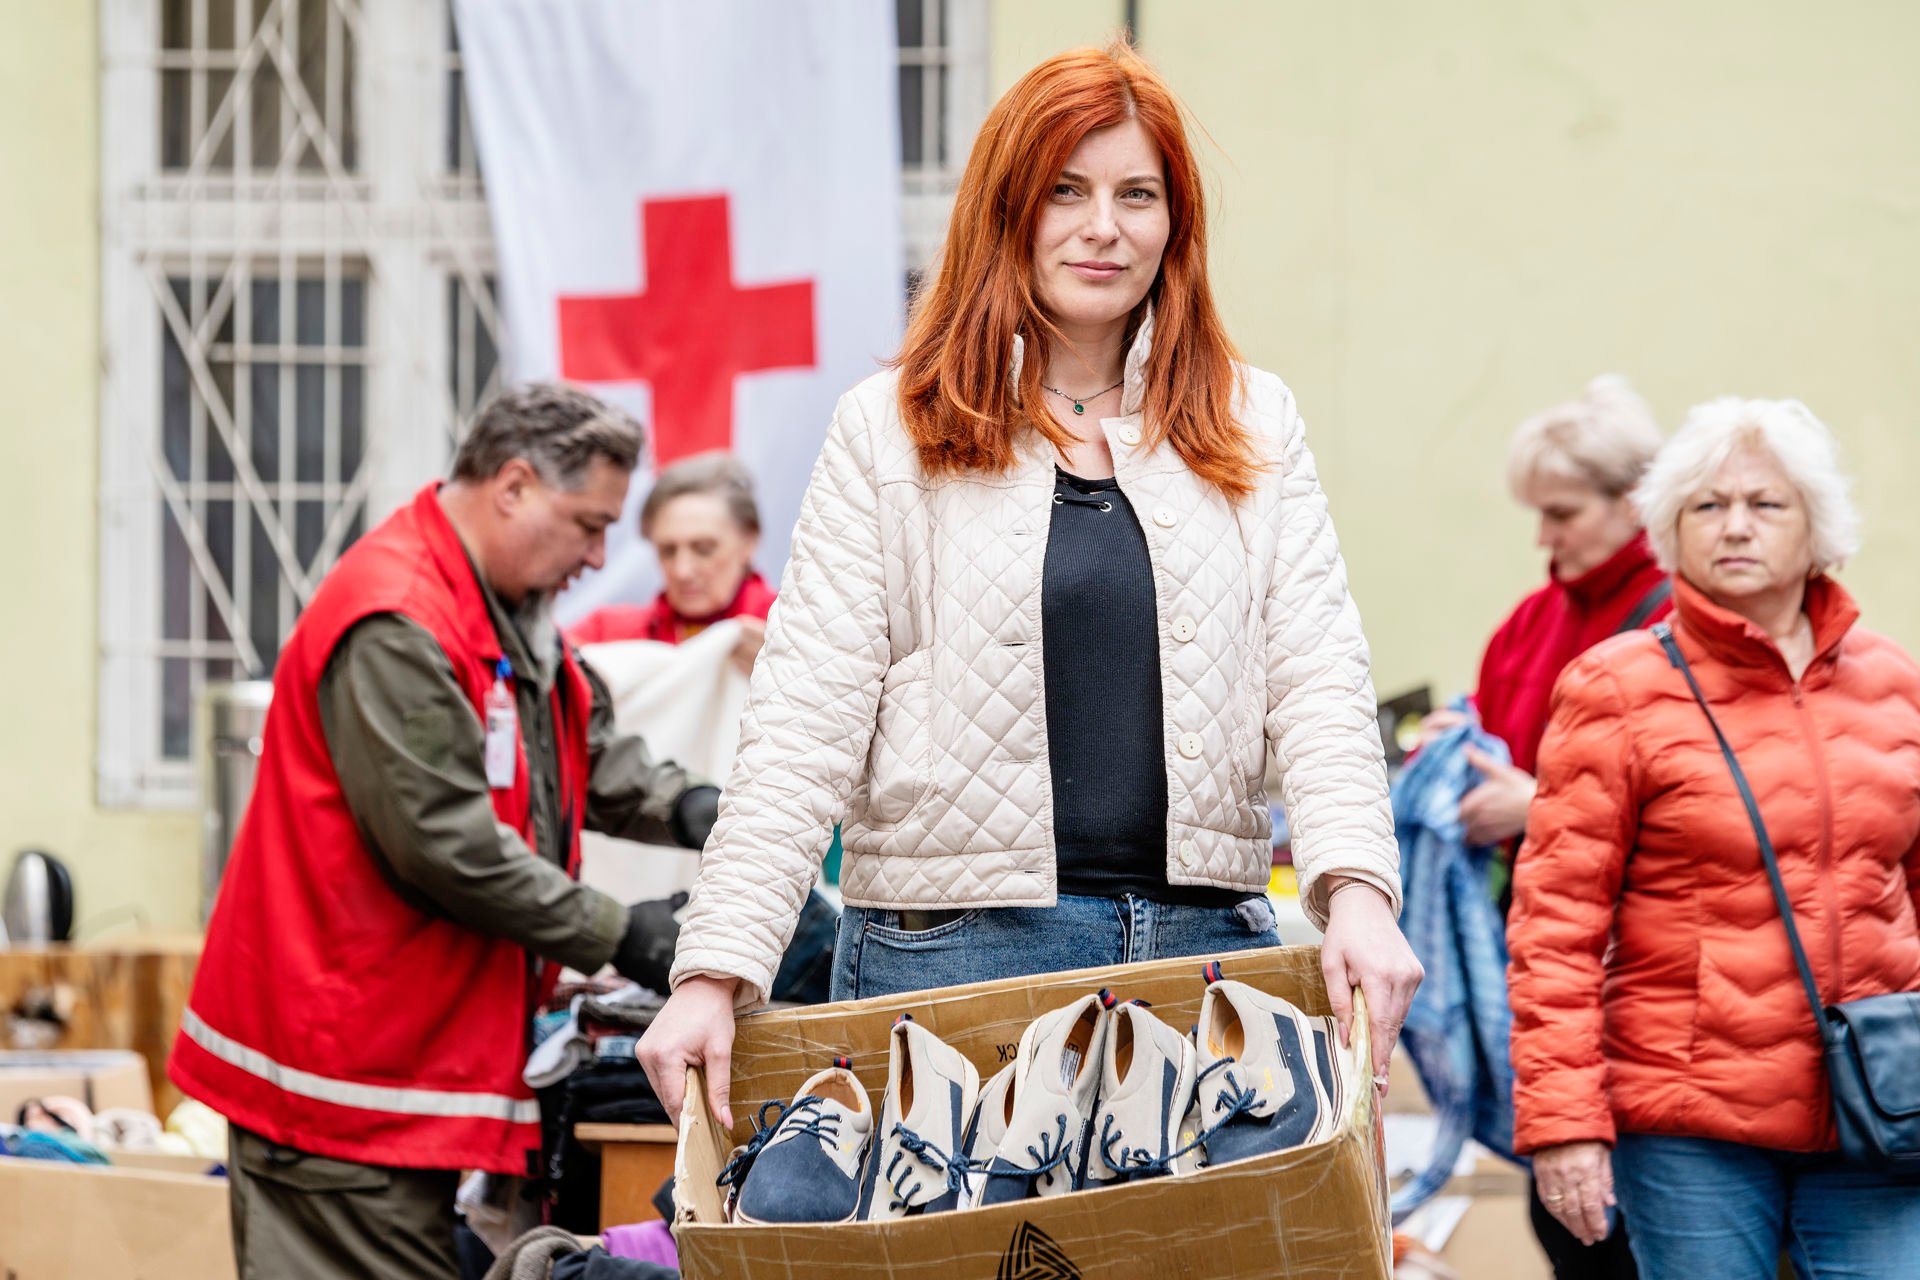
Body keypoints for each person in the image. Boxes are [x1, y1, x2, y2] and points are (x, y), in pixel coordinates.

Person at [639, 41, 1422, 1133]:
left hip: (1207, 959)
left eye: (1137, 194)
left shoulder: (1253, 421)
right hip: (955, 958)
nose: (1104, 226)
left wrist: (1359, 895)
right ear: (1008, 209)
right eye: (1067, 190)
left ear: (1175, 226)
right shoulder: (891, 429)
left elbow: (1318, 679)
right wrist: (712, 972)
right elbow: (802, 719)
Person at [169, 384, 723, 1280]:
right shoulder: (397, 621)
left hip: (404, 1064)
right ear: (513, 485)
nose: (597, 555)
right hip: (338, 1074)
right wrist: (624, 935)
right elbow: (447, 847)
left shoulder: (501, 612)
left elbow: (581, 754)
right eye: (588, 525)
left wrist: (697, 806)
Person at [1509, 397, 1920, 1278]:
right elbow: (1555, 930)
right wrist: (1565, 1124)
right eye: (1707, 506)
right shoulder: (1615, 687)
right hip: (1690, 1126)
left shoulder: (1894, 684)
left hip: (1877, 1111)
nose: (1736, 527)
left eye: (1766, 504)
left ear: (1819, 526)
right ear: (1670, 529)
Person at [1418, 376, 1666, 1278]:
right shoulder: (1529, 622)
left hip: (1641, 990)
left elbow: (1714, 800)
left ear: (1633, 503)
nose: (1544, 537)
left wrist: (1539, 806)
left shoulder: (1681, 621)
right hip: (1547, 974)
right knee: (1561, 1222)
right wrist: (1453, 743)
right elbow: (1502, 731)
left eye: (1562, 513)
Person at [566, 450, 777, 676]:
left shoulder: (795, 631)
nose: (682, 571)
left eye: (704, 549)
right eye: (667, 551)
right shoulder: (607, 633)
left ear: (749, 541)